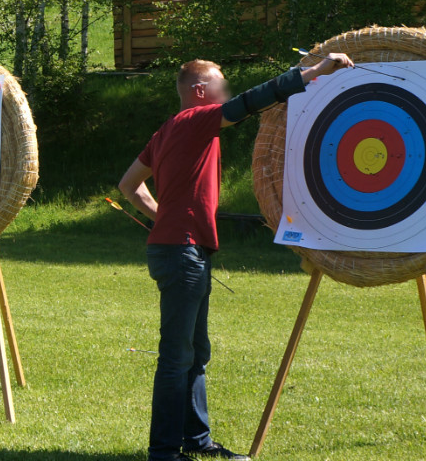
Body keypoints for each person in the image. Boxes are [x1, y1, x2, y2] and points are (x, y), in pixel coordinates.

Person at [118, 54, 353, 461]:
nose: (224, 92)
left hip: (179, 246)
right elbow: (251, 100)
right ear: (198, 91)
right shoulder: (195, 120)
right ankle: (163, 452)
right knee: (177, 355)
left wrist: (165, 217)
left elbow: (128, 185)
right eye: (219, 85)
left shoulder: (167, 130)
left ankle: (196, 441)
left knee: (195, 350)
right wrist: (314, 72)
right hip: (182, 252)